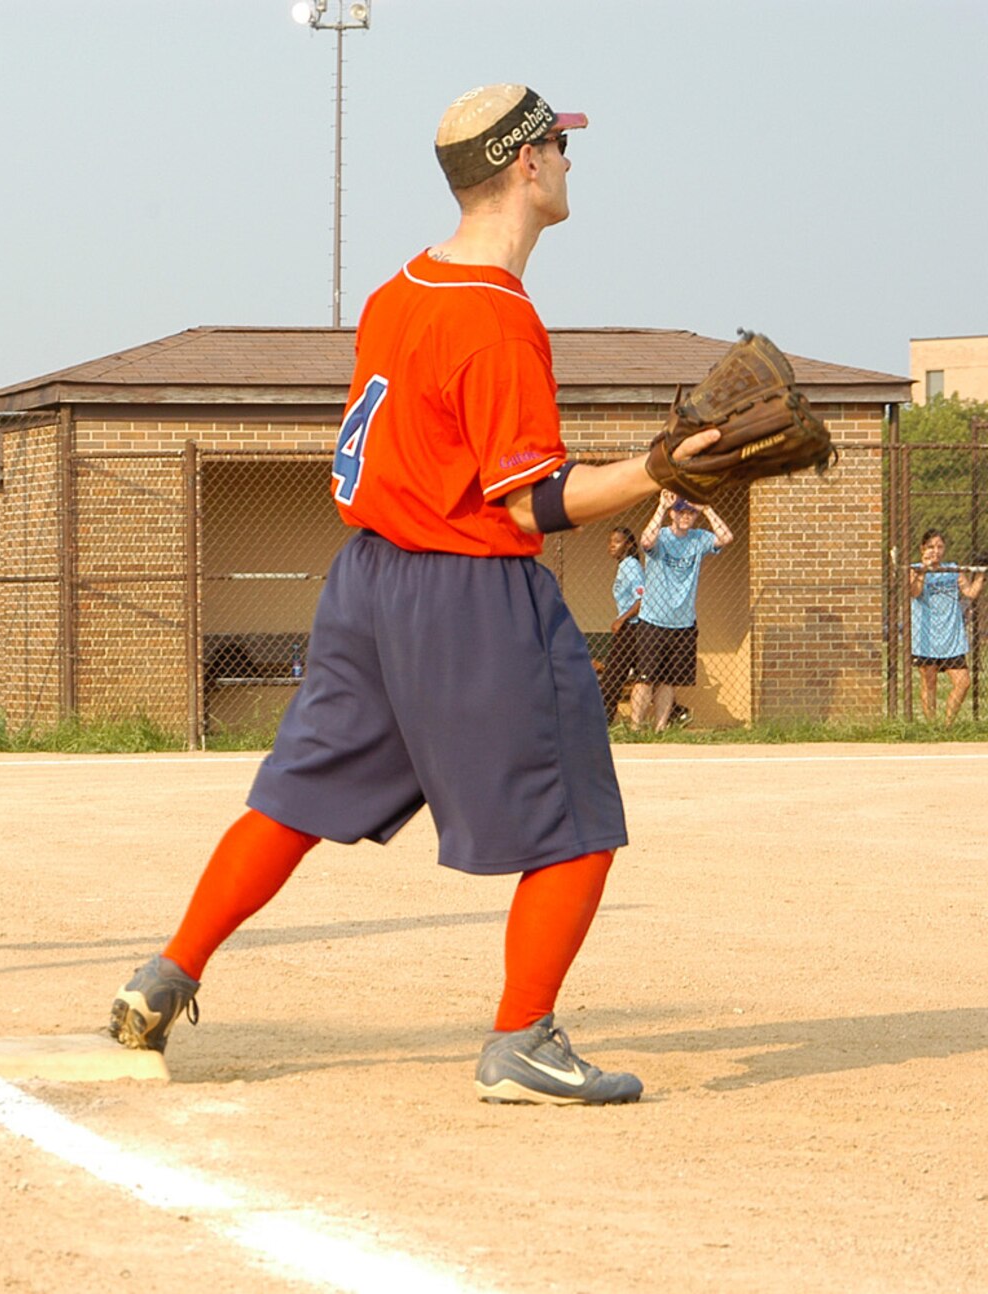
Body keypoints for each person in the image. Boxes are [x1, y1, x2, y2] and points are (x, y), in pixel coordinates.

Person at [106, 84, 725, 1105]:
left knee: (294, 798)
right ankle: (521, 1038)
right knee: (576, 820)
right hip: (466, 591)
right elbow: (531, 506)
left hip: (365, 587)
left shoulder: (397, 291)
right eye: (557, 149)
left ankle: (165, 973)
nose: (568, 163)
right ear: (523, 166)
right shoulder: (496, 318)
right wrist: (664, 464)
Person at [630, 491, 733, 731]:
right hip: (653, 620)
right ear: (673, 514)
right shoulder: (662, 537)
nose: (686, 517)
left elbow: (726, 537)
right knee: (645, 679)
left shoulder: (698, 538)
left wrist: (706, 509)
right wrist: (662, 507)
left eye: (690, 513)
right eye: (681, 512)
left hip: (683, 622)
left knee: (668, 681)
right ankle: (636, 728)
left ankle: (660, 727)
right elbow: (646, 541)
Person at [908, 529, 984, 724]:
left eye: (940, 547)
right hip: (926, 636)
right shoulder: (915, 569)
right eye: (931, 547)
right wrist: (924, 570)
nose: (936, 551)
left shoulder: (952, 569)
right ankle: (931, 726)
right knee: (929, 682)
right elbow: (915, 592)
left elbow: (970, 593)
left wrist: (981, 573)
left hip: (951, 637)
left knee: (963, 682)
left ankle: (947, 725)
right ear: (922, 549)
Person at [600, 526, 644, 722]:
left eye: (617, 542)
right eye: (610, 542)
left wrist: (622, 619)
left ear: (629, 545)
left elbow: (642, 599)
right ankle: (677, 712)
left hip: (633, 627)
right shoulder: (624, 566)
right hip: (629, 628)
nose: (611, 546)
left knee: (612, 676)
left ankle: (603, 719)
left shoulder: (631, 566)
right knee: (644, 675)